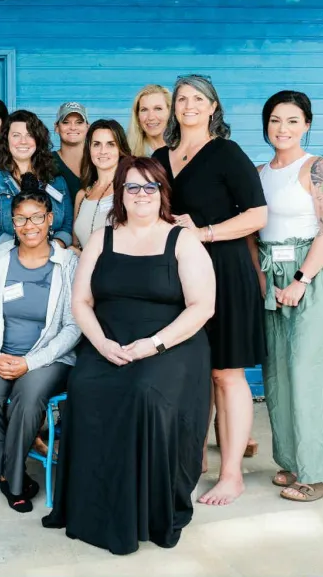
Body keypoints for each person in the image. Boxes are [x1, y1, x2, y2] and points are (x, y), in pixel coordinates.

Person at [43, 156, 215, 554]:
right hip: (110, 340)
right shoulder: (103, 237)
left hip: (173, 344)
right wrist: (101, 343)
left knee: (143, 392)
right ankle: (92, 507)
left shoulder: (181, 238)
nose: (141, 194)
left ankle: (144, 510)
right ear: (119, 193)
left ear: (162, 193)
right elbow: (81, 301)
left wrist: (154, 344)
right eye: (132, 187)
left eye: (150, 187)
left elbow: (202, 307)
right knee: (84, 387)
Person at [152, 75, 267, 506]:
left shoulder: (226, 153)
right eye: (182, 98)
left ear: (213, 107)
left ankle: (232, 474)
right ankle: (193, 457)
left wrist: (205, 233)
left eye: (198, 98)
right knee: (191, 370)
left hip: (225, 268)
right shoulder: (161, 157)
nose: (189, 105)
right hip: (178, 274)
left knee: (226, 372)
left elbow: (257, 214)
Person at [0, 176, 81, 513]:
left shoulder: (68, 263)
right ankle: (10, 476)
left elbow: (74, 326)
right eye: (21, 218)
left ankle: (13, 482)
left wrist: (30, 363)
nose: (29, 225)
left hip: (49, 358)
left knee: (28, 397)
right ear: (13, 223)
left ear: (49, 220)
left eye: (36, 217)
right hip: (1, 352)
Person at [254, 91, 323, 503]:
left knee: (310, 373)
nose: (283, 129)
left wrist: (301, 279)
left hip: (311, 273)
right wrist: (264, 282)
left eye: (292, 120)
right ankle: (292, 462)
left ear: (306, 124)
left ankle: (320, 472)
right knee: (279, 375)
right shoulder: (257, 172)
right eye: (275, 120)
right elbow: (253, 232)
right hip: (269, 275)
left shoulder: (318, 168)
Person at [0, 110, 75, 259]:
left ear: (38, 140)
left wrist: (55, 246)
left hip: (51, 263)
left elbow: (68, 224)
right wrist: (23, 249)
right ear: (6, 140)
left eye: (29, 135)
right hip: (5, 264)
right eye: (16, 135)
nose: (23, 141)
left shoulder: (56, 181)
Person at [72, 119, 130, 251]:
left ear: (120, 149)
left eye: (110, 144)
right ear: (89, 149)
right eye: (96, 144)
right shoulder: (82, 196)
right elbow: (76, 244)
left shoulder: (129, 190)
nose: (103, 151)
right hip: (85, 269)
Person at [53, 102, 89, 199]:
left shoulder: (98, 160)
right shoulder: (46, 162)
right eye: (66, 122)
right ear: (56, 127)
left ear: (87, 127)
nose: (73, 127)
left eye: (79, 122)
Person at [127, 85, 173, 156]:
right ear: (137, 116)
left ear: (170, 112)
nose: (151, 117)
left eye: (158, 109)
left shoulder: (185, 148)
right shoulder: (127, 152)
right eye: (144, 110)